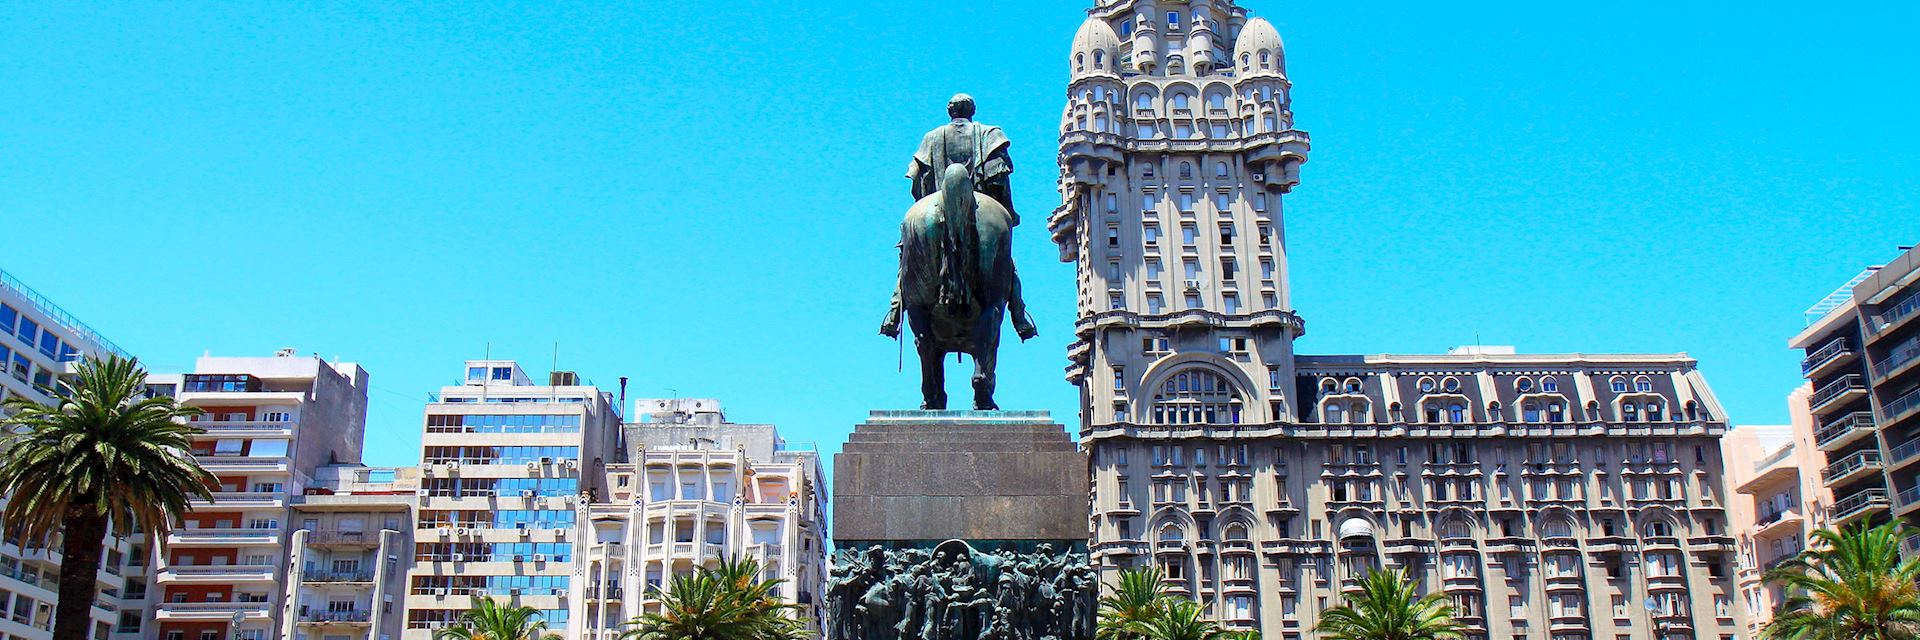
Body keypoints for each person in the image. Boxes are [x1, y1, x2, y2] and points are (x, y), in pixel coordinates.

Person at [882, 93, 1039, 341]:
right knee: (1007, 264)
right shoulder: (990, 134)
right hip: (982, 206)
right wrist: (1008, 213)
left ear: (950, 112)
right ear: (972, 111)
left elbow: (918, 180)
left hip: (932, 209)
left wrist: (925, 204)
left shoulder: (931, 138)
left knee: (906, 262)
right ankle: (1019, 315)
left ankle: (894, 311)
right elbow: (999, 179)